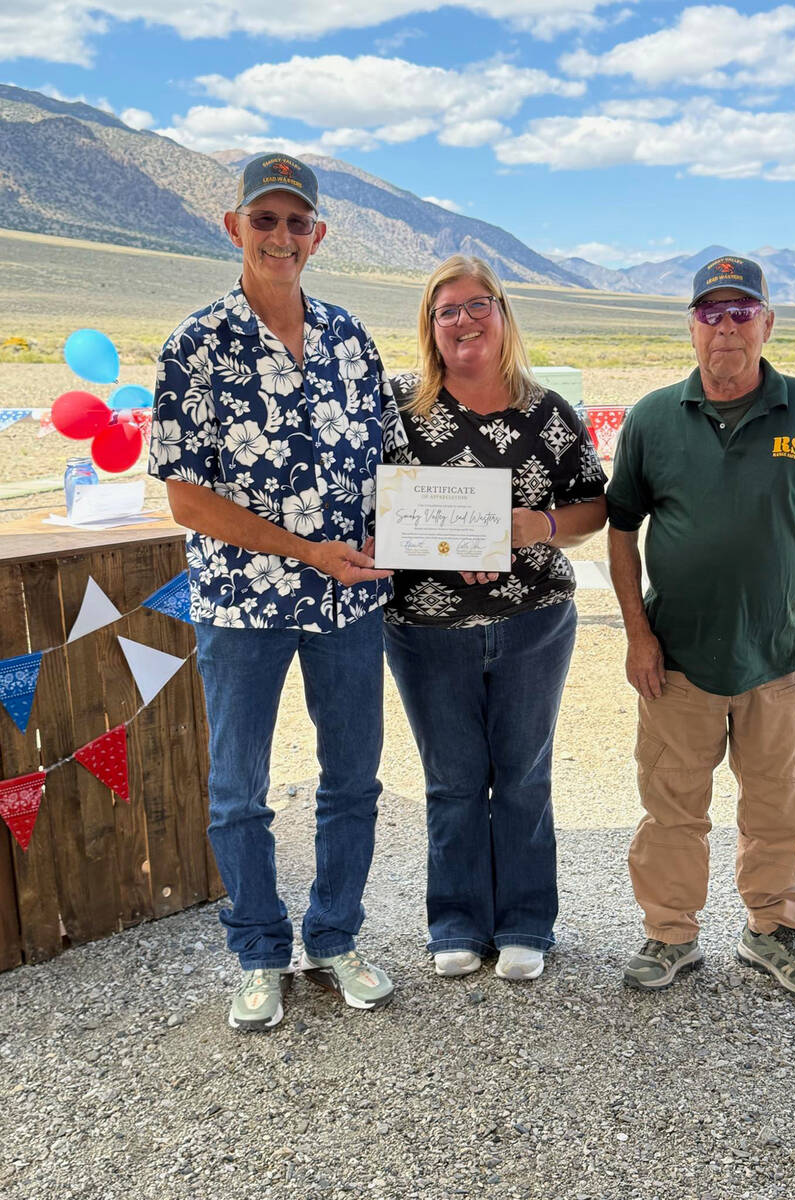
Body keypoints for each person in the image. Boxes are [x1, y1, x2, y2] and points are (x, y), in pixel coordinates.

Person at [148, 153, 406, 1030]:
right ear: (235, 227)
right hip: (241, 604)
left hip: (349, 603)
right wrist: (306, 551)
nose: (282, 237)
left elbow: (389, 462)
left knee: (353, 781)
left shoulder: (351, 339)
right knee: (238, 790)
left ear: (318, 236)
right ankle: (259, 952)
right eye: (265, 219)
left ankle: (334, 938)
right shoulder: (194, 346)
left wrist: (396, 536)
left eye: (297, 222)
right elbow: (186, 497)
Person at [606, 255, 795, 1001]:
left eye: (740, 311)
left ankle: (773, 932)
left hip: (778, 658)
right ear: (691, 326)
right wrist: (637, 635)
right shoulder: (654, 418)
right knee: (671, 808)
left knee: (779, 809)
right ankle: (670, 934)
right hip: (677, 660)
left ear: (767, 323)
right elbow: (622, 529)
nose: (725, 326)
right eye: (709, 312)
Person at [384, 255, 607, 982]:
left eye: (478, 304)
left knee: (522, 777)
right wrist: (435, 547)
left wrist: (538, 526)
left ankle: (525, 925)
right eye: (446, 310)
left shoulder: (548, 412)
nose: (464, 320)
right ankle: (455, 922)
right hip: (426, 629)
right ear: (430, 326)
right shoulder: (398, 409)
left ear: (503, 313)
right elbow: (371, 503)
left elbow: (595, 505)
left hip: (532, 623)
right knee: (451, 780)